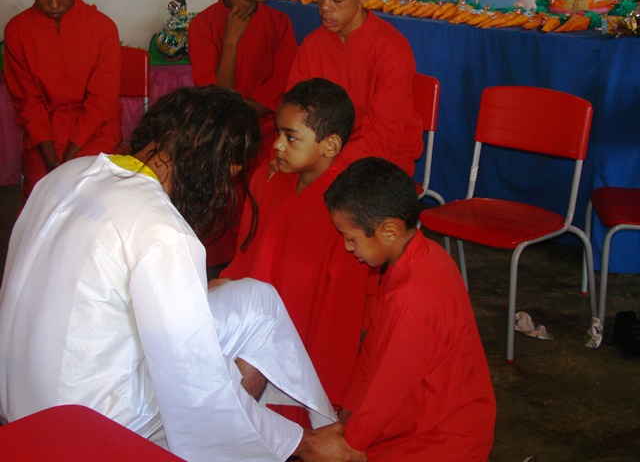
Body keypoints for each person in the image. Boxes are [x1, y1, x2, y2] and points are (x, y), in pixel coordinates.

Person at [0, 85, 366, 462]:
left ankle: (320, 426)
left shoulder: (70, 172)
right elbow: (196, 384)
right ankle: (308, 443)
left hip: (19, 396)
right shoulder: (162, 229)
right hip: (89, 421)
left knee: (257, 302)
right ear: (208, 167)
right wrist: (300, 443)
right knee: (220, 364)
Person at [324, 157, 497, 461]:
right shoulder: (414, 257)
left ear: (389, 231)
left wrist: (348, 445)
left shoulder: (412, 301)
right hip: (421, 417)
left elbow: (387, 392)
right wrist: (344, 416)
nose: (348, 248)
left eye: (351, 238)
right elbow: (371, 353)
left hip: (442, 440)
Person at [218, 78, 370, 423]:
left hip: (305, 336)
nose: (276, 145)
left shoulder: (347, 209)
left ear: (330, 145)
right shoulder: (267, 178)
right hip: (253, 322)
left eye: (291, 137)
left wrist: (325, 393)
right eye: (277, 133)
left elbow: (341, 311)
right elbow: (246, 251)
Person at [188, 0, 299, 268]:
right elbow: (214, 98)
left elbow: (281, 86)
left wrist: (239, 114)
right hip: (218, 131)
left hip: (266, 128)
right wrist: (230, 41)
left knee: (268, 190)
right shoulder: (202, 26)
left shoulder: (279, 23)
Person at [286, 0, 423, 177]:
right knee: (268, 180)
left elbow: (384, 136)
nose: (325, 7)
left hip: (382, 160)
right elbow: (293, 114)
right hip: (322, 153)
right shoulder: (311, 45)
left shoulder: (392, 48)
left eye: (336, 0)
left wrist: (330, 168)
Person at [3, 0, 121, 200]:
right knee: (42, 197)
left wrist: (67, 160)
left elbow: (101, 103)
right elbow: (27, 102)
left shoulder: (103, 28)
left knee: (92, 195)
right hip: (43, 134)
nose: (54, 4)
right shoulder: (17, 30)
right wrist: (51, 160)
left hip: (94, 130)